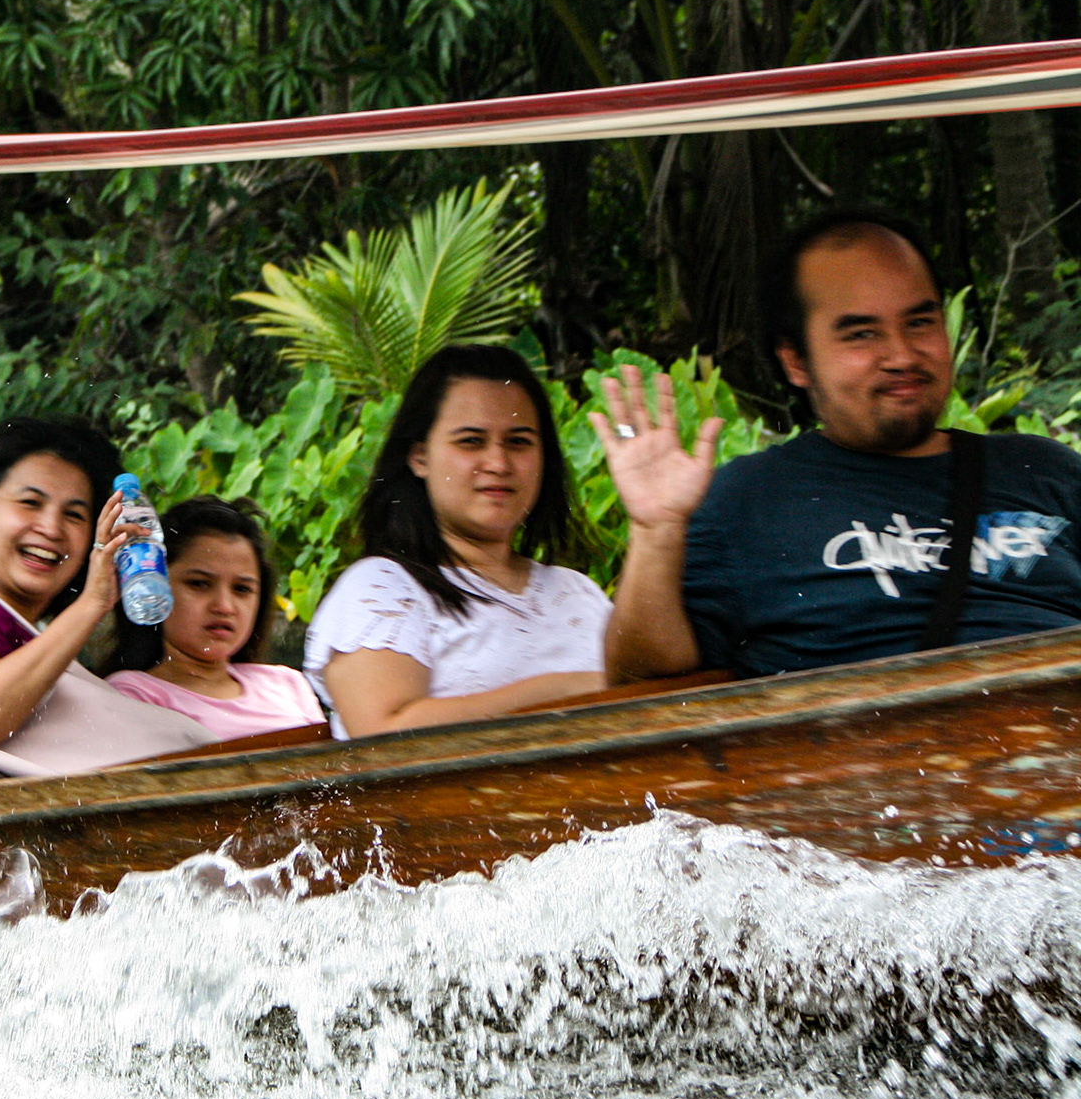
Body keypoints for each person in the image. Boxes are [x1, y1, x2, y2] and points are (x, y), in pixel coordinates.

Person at [595, 209, 1081, 683]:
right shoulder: (745, 500)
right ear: (796, 362)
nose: (901, 355)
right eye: (862, 333)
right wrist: (656, 532)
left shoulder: (1045, 472)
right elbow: (640, 676)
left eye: (919, 323)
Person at [0, 418, 202, 788]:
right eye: (30, 502)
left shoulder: (43, 639)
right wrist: (92, 603)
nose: (51, 527)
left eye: (74, 515)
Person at [303, 345, 610, 738]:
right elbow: (381, 737)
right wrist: (568, 691)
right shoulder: (382, 590)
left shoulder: (578, 593)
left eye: (518, 442)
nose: (499, 463)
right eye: (471, 441)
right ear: (419, 457)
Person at [103, 496, 324, 740]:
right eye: (199, 584)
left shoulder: (286, 684)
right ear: (155, 587)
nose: (224, 606)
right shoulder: (134, 694)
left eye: (242, 589)